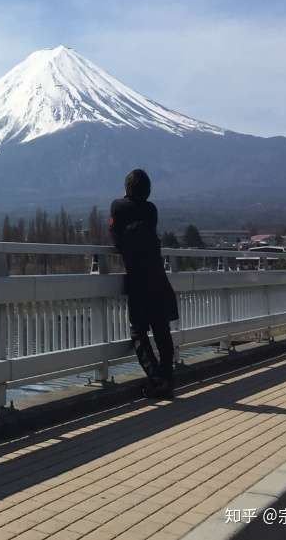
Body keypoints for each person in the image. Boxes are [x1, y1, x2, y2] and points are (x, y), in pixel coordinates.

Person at [109, 169, 178, 399]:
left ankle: (156, 379)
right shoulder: (151, 210)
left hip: (138, 280)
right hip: (158, 277)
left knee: (138, 331)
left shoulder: (118, 207)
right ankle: (167, 379)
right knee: (161, 330)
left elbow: (116, 239)